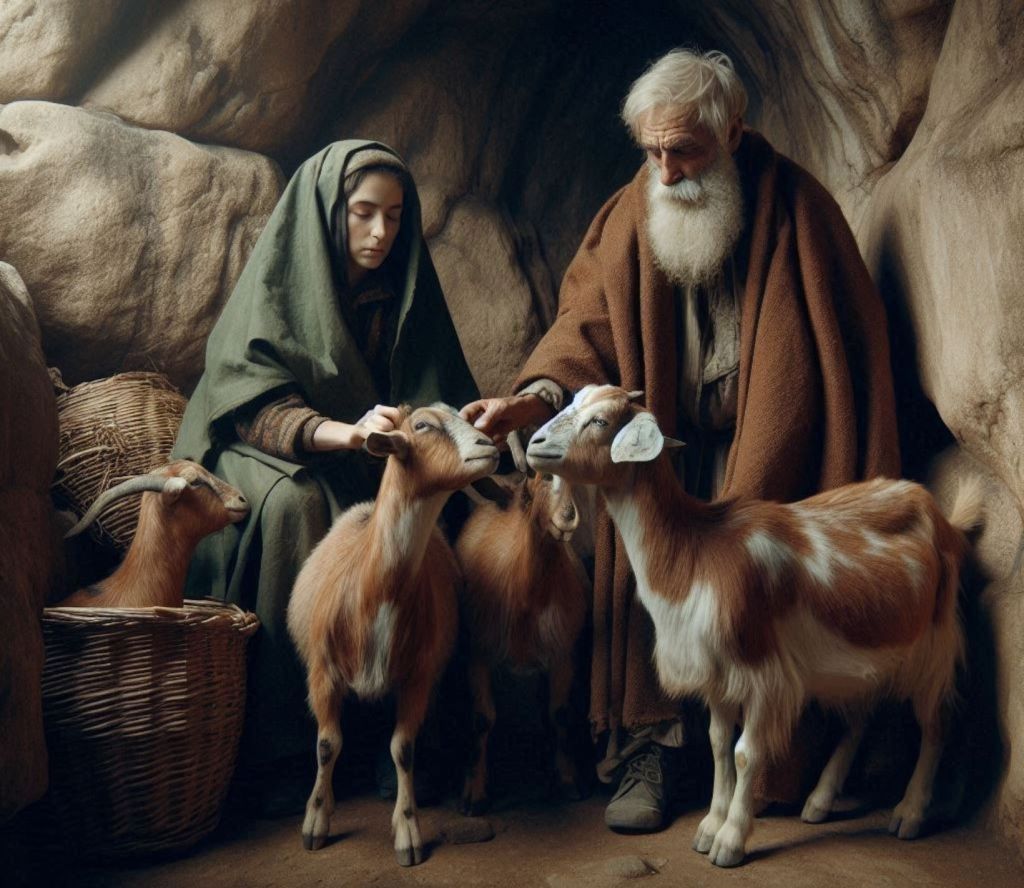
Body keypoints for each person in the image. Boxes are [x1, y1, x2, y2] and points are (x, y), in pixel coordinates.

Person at [462, 49, 900, 832]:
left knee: (760, 602)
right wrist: (532, 402)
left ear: (732, 132)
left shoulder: (800, 210)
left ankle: (778, 761)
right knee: (652, 576)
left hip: (771, 465)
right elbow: (583, 329)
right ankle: (650, 751)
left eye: (685, 151)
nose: (666, 172)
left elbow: (847, 354)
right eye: (653, 152)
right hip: (655, 464)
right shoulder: (631, 215)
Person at [173, 140, 479, 812]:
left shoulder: (402, 287)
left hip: (377, 455)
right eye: (364, 213)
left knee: (441, 511)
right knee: (297, 508)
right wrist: (345, 434)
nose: (380, 233)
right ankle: (289, 738)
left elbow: (439, 390)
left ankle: (397, 731)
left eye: (395, 217)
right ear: (326, 212)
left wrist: (447, 438)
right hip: (271, 454)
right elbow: (247, 401)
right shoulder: (282, 279)